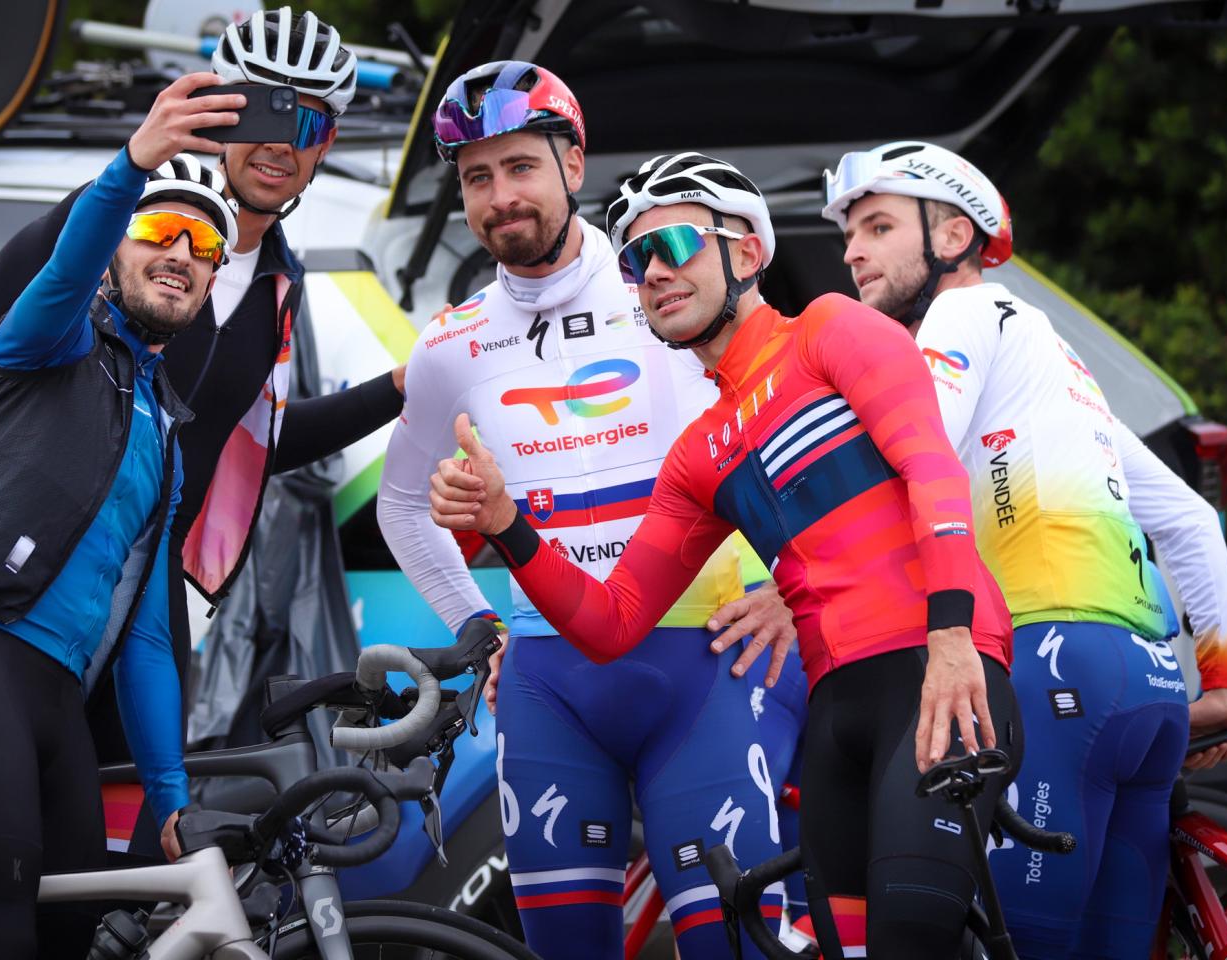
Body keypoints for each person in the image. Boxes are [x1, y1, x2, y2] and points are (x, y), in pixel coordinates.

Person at [0, 8, 404, 854]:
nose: (278, 142)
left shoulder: (278, 282)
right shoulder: (123, 222)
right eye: (257, 110)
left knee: (110, 891)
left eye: (305, 120)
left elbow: (250, 447)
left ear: (326, 140)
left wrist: (403, 387)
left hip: (142, 623)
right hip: (19, 593)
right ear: (215, 110)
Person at [430, 150, 1024, 960]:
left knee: (911, 939)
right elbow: (611, 622)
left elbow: (934, 471)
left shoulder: (829, 330)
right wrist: (508, 524)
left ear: (746, 253)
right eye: (635, 261)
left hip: (940, 668)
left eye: (673, 246)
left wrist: (954, 642)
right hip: (839, 712)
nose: (653, 274)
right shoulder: (701, 452)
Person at [377, 63, 806, 958]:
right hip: (548, 686)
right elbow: (402, 509)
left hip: (708, 667)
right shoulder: (450, 344)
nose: (500, 197)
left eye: (521, 167)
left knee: (736, 946)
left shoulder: (674, 285)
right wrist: (481, 629)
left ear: (575, 164)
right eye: (477, 178)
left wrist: (791, 590)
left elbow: (802, 444)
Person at [821, 139, 1227, 960]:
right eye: (847, 236)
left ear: (949, 237)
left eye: (875, 226)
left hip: (1051, 665)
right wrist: (1224, 678)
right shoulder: (1054, 356)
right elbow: (1192, 519)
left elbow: (917, 453)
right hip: (1149, 686)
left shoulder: (963, 314)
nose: (852, 251)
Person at [0, 72, 244, 959]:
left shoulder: (163, 431)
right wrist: (132, 164)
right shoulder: (46, 339)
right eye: (161, 230)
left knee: (72, 936)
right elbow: (65, 264)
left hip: (57, 701)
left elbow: (151, 637)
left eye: (204, 247)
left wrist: (167, 799)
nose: (183, 253)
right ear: (119, 245)